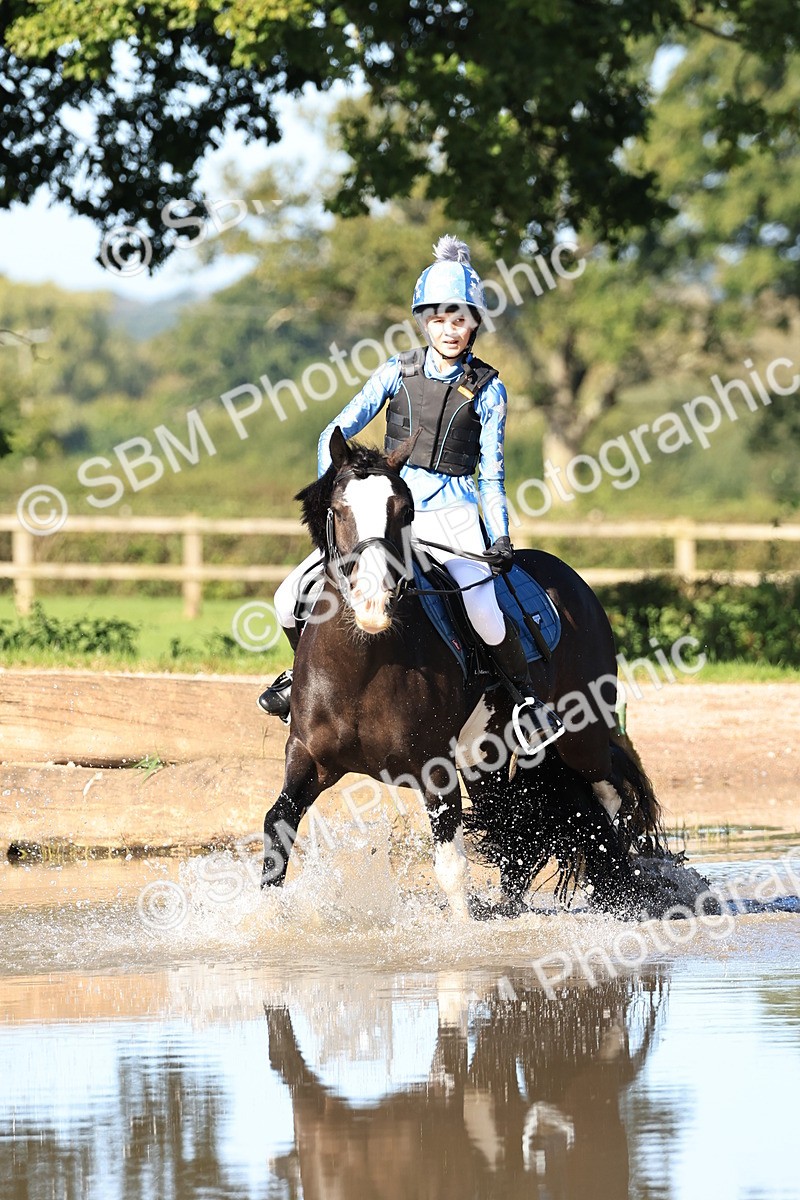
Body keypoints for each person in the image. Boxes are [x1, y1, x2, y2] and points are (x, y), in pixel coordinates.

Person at [258, 235, 564, 749]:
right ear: (424, 322)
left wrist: (500, 535)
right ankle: (301, 675)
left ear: (474, 324)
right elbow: (334, 430)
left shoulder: (490, 389)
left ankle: (524, 701)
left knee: (484, 613)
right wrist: (338, 495)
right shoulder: (395, 371)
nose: (450, 330)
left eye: (460, 319)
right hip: (385, 511)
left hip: (453, 512)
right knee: (287, 598)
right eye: (439, 320)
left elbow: (492, 475)